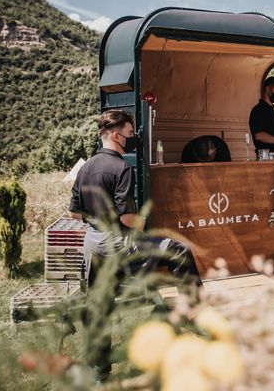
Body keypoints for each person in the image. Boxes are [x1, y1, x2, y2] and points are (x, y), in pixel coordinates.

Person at [69, 110, 199, 378]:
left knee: (100, 305)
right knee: (179, 249)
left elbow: (74, 212)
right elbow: (128, 218)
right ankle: (190, 312)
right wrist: (143, 222)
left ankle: (99, 369)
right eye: (129, 134)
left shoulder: (85, 168)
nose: (131, 139)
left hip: (92, 244)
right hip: (119, 244)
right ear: (116, 136)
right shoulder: (121, 168)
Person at [249, 76, 274, 158]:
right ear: (268, 89)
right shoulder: (258, 110)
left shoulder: (273, 111)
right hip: (266, 157)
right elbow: (259, 135)